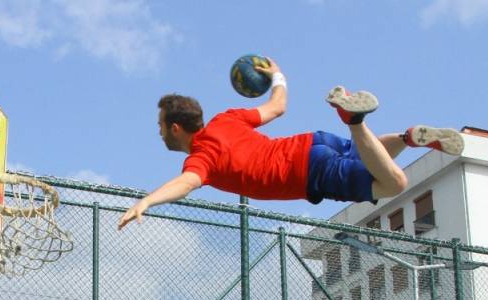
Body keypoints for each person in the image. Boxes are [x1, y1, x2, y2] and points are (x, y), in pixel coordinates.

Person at [117, 60, 464, 230]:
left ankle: (353, 119)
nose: (159, 132)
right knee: (369, 157)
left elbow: (186, 183)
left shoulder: (202, 157)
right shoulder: (228, 118)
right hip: (312, 144)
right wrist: (278, 75)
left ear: (176, 128)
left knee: (394, 183)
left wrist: (148, 200)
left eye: (160, 126)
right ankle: (407, 137)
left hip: (308, 172)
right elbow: (278, 106)